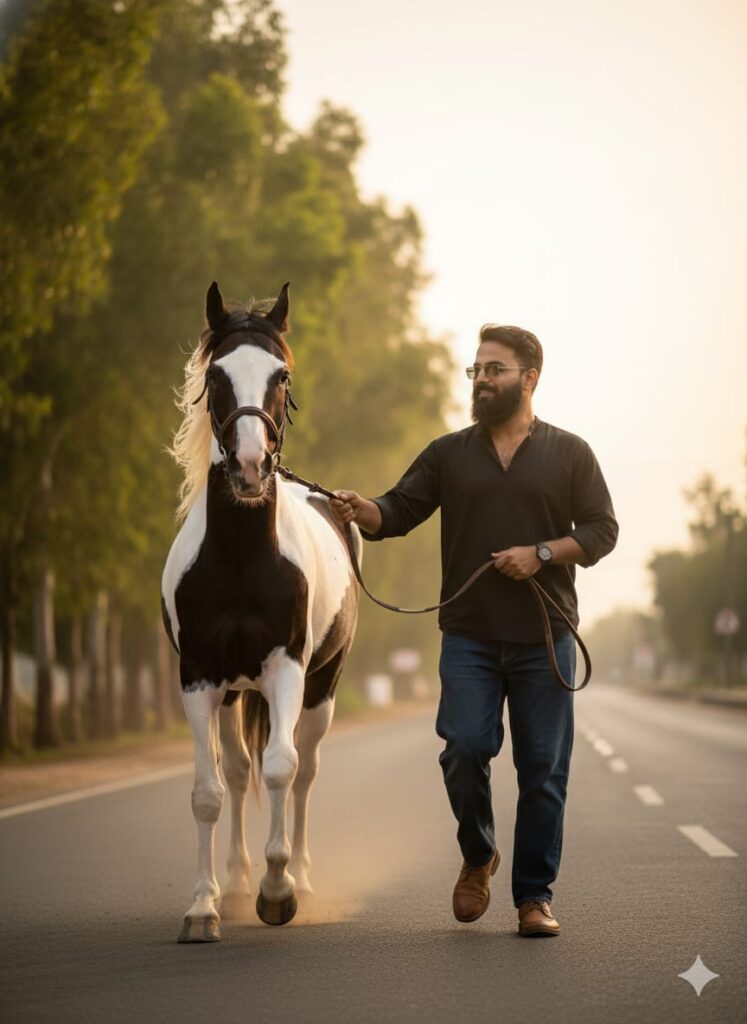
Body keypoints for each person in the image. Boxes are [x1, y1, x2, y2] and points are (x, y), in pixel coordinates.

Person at [330, 323, 618, 937]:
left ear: (530, 379)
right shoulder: (448, 454)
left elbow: (601, 531)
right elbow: (396, 512)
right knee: (462, 748)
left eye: (495, 369)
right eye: (477, 370)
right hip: (469, 636)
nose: (482, 379)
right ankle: (479, 852)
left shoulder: (570, 453)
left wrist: (540, 553)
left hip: (548, 638)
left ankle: (534, 898)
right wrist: (361, 510)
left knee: (543, 770)